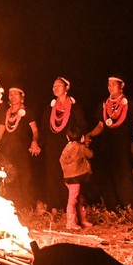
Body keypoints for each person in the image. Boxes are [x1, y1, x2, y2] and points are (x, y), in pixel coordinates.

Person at [86, 77, 133, 212]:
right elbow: (100, 126)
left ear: (122, 86)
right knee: (107, 176)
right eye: (108, 84)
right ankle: (114, 209)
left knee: (125, 175)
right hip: (108, 146)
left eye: (113, 84)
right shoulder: (104, 104)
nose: (110, 87)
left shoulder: (129, 104)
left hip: (122, 145)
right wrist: (89, 134)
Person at [0, 87, 40, 214]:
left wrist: (34, 141)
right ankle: (15, 208)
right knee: (11, 179)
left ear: (22, 96)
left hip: (22, 151)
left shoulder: (27, 112)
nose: (12, 96)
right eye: (10, 94)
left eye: (15, 94)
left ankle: (28, 207)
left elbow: (35, 130)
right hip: (8, 151)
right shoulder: (5, 113)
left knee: (25, 177)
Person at [39, 77, 87, 214]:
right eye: (54, 85)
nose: (55, 87)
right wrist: (37, 143)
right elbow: (44, 128)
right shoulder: (50, 108)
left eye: (59, 85)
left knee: (70, 176)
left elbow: (82, 125)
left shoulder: (74, 107)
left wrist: (78, 140)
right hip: (52, 146)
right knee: (52, 174)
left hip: (69, 146)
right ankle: (54, 206)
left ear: (66, 88)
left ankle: (71, 207)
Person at [59, 125, 94, 231]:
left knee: (78, 198)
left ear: (67, 137)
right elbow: (91, 155)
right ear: (81, 137)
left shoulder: (66, 148)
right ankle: (70, 222)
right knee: (74, 200)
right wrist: (86, 144)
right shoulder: (81, 147)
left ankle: (81, 220)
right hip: (77, 177)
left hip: (68, 177)